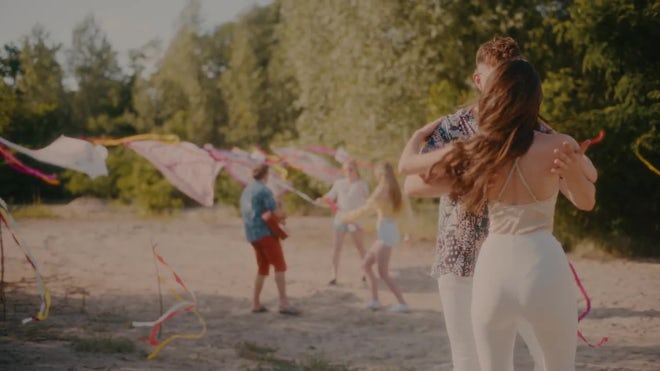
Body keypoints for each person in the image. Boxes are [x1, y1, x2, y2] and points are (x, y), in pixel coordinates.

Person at [400, 58, 596, 370]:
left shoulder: (477, 150)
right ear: (536, 99)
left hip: (492, 268)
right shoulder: (560, 145)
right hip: (542, 263)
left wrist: (416, 136)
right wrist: (573, 173)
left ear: (493, 97)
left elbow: (407, 168)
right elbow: (588, 198)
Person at [398, 36, 546, 371]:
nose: (504, 90)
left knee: (544, 348)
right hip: (459, 253)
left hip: (517, 253)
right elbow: (411, 185)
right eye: (497, 80)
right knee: (467, 358)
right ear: (479, 81)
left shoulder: (534, 126)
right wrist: (472, 178)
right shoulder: (452, 127)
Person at [339, 161, 413, 313]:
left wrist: (345, 217)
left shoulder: (381, 190)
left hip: (386, 233)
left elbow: (366, 210)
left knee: (383, 272)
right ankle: (375, 300)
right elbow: (406, 213)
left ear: (380, 174)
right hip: (388, 231)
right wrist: (407, 234)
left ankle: (402, 303)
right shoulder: (395, 190)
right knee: (366, 265)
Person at [240, 163, 300, 315]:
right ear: (266, 175)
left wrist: (280, 198)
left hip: (252, 235)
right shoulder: (264, 190)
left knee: (263, 268)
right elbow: (277, 212)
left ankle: (255, 303)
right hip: (266, 234)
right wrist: (284, 214)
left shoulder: (247, 190)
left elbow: (259, 209)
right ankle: (284, 303)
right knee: (280, 265)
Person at [316, 159, 370, 285]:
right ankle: (333, 275)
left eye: (351, 169)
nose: (348, 171)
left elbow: (368, 201)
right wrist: (322, 199)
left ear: (356, 169)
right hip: (340, 219)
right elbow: (330, 196)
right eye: (346, 169)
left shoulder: (362, 184)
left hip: (356, 220)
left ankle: (366, 272)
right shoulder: (339, 183)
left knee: (360, 247)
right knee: (336, 248)